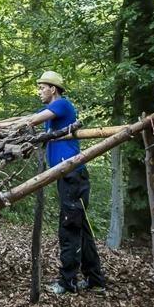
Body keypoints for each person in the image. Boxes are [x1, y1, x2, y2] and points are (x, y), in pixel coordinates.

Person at [26, 71, 106, 295]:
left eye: (42, 87)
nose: (39, 91)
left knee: (69, 227)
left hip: (73, 176)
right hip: (68, 176)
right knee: (81, 228)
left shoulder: (61, 104)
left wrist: (10, 125)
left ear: (53, 89)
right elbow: (33, 121)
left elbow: (31, 120)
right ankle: (95, 279)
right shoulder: (52, 114)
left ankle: (67, 282)